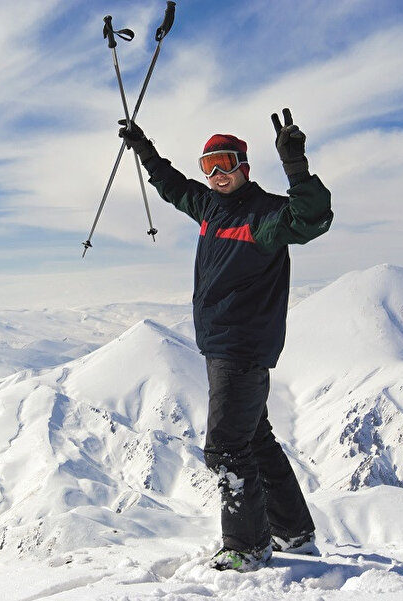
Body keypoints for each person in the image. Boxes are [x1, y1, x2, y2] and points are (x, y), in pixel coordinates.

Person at [118, 108, 332, 571]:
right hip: (221, 344)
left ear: (244, 167)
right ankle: (294, 532)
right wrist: (144, 148)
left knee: (225, 449)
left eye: (225, 163)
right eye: (208, 165)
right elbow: (174, 189)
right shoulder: (212, 208)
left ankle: (248, 546)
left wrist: (296, 167)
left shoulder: (266, 214)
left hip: (243, 347)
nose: (216, 174)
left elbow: (313, 218)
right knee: (256, 440)